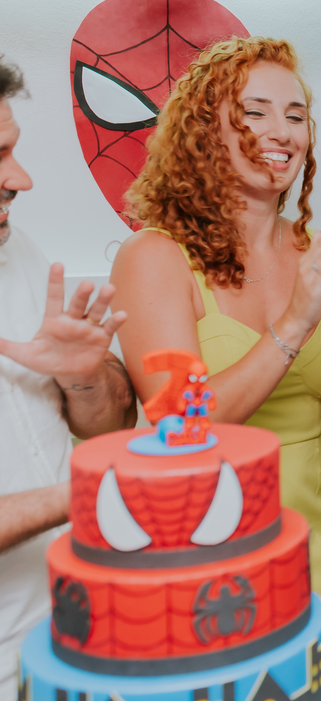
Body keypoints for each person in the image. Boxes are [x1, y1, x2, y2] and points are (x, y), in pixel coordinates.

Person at [110, 37, 321, 696]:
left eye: (296, 114)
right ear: (204, 130)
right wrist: (291, 326)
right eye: (255, 112)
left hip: (310, 556)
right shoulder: (154, 257)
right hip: (199, 564)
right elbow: (180, 424)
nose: (281, 132)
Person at [0, 58, 137, 698]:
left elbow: (110, 421)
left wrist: (84, 380)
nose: (21, 179)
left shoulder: (19, 252)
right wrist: (89, 493)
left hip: (68, 642)